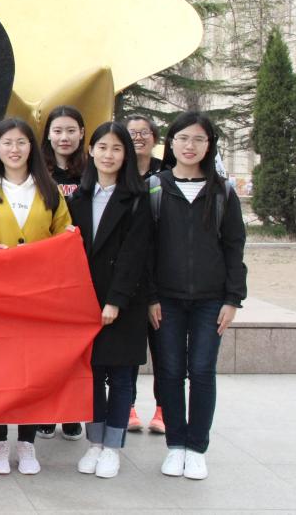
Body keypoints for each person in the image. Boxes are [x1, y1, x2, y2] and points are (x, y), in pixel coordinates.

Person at [150, 111, 246, 481]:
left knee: (203, 371)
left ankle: (197, 447)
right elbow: (145, 249)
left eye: (198, 139)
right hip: (166, 300)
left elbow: (234, 247)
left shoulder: (223, 192)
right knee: (170, 371)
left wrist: (233, 299)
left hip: (211, 300)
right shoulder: (155, 188)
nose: (190, 146)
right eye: (183, 138)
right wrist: (151, 297)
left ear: (209, 146)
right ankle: (176, 444)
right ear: (171, 143)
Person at [0, 118, 72, 476]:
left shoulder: (49, 190)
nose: (14, 149)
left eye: (21, 142)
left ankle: (27, 443)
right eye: (7, 143)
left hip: (38, 297)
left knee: (34, 372)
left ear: (32, 147)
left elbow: (64, 236)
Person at [68, 122, 152, 479]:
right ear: (91, 151)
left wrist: (116, 301)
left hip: (123, 303)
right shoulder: (78, 198)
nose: (108, 155)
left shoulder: (138, 199)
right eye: (102, 147)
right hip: (86, 301)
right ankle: (95, 442)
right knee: (92, 375)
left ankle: (113, 447)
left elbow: (135, 255)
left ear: (126, 155)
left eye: (117, 149)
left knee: (120, 377)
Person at [37, 104, 86, 441]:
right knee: (47, 349)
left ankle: (71, 412)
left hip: (82, 270)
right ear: (48, 135)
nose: (64, 137)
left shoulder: (93, 170)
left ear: (82, 133)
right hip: (47, 272)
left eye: (70, 130)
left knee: (76, 348)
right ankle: (46, 411)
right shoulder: (39, 172)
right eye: (57, 131)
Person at [125, 115, 165, 435]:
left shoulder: (166, 173)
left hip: (162, 273)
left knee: (164, 349)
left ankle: (163, 409)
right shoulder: (118, 173)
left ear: (154, 137)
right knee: (130, 350)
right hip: (130, 274)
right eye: (132, 133)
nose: (138, 138)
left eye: (144, 132)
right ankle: (128, 406)